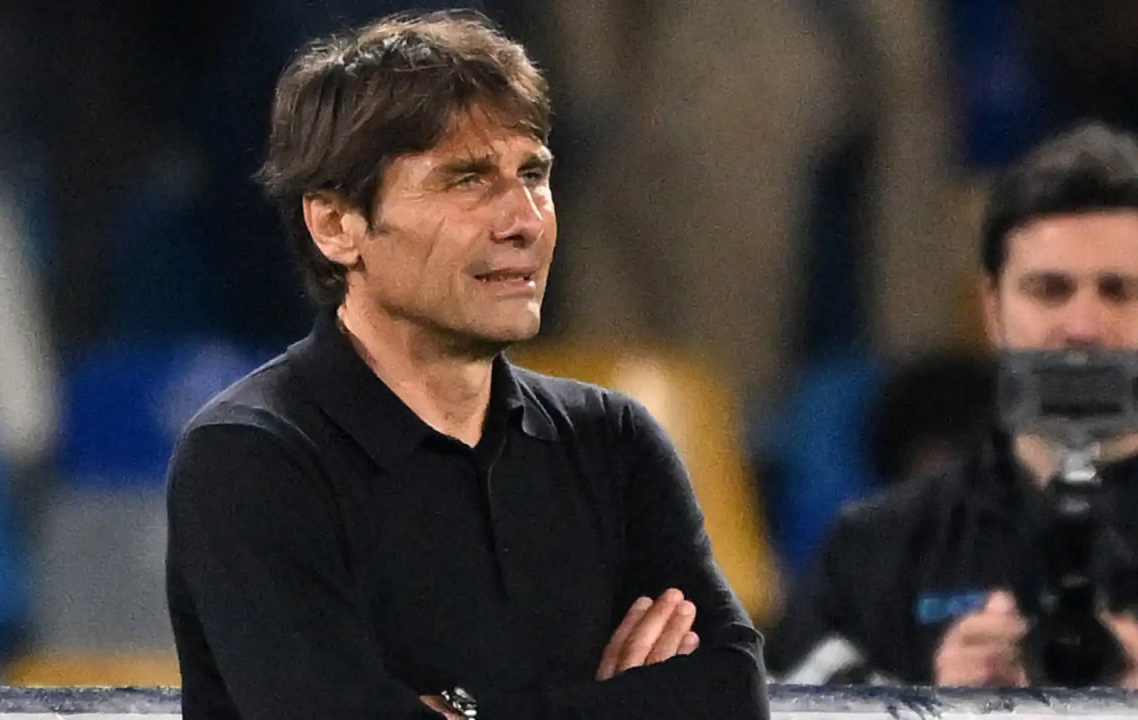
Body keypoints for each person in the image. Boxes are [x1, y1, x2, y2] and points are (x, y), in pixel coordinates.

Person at [164, 10, 767, 720]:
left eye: (533, 174)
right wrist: (618, 705)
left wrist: (462, 710)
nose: (524, 220)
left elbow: (729, 693)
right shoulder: (252, 458)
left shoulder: (612, 441)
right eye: (468, 180)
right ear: (335, 224)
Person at [764, 120, 1138, 687]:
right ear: (993, 311)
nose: (1082, 326)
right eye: (1049, 290)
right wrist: (932, 704)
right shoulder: (876, 550)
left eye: (1119, 291)